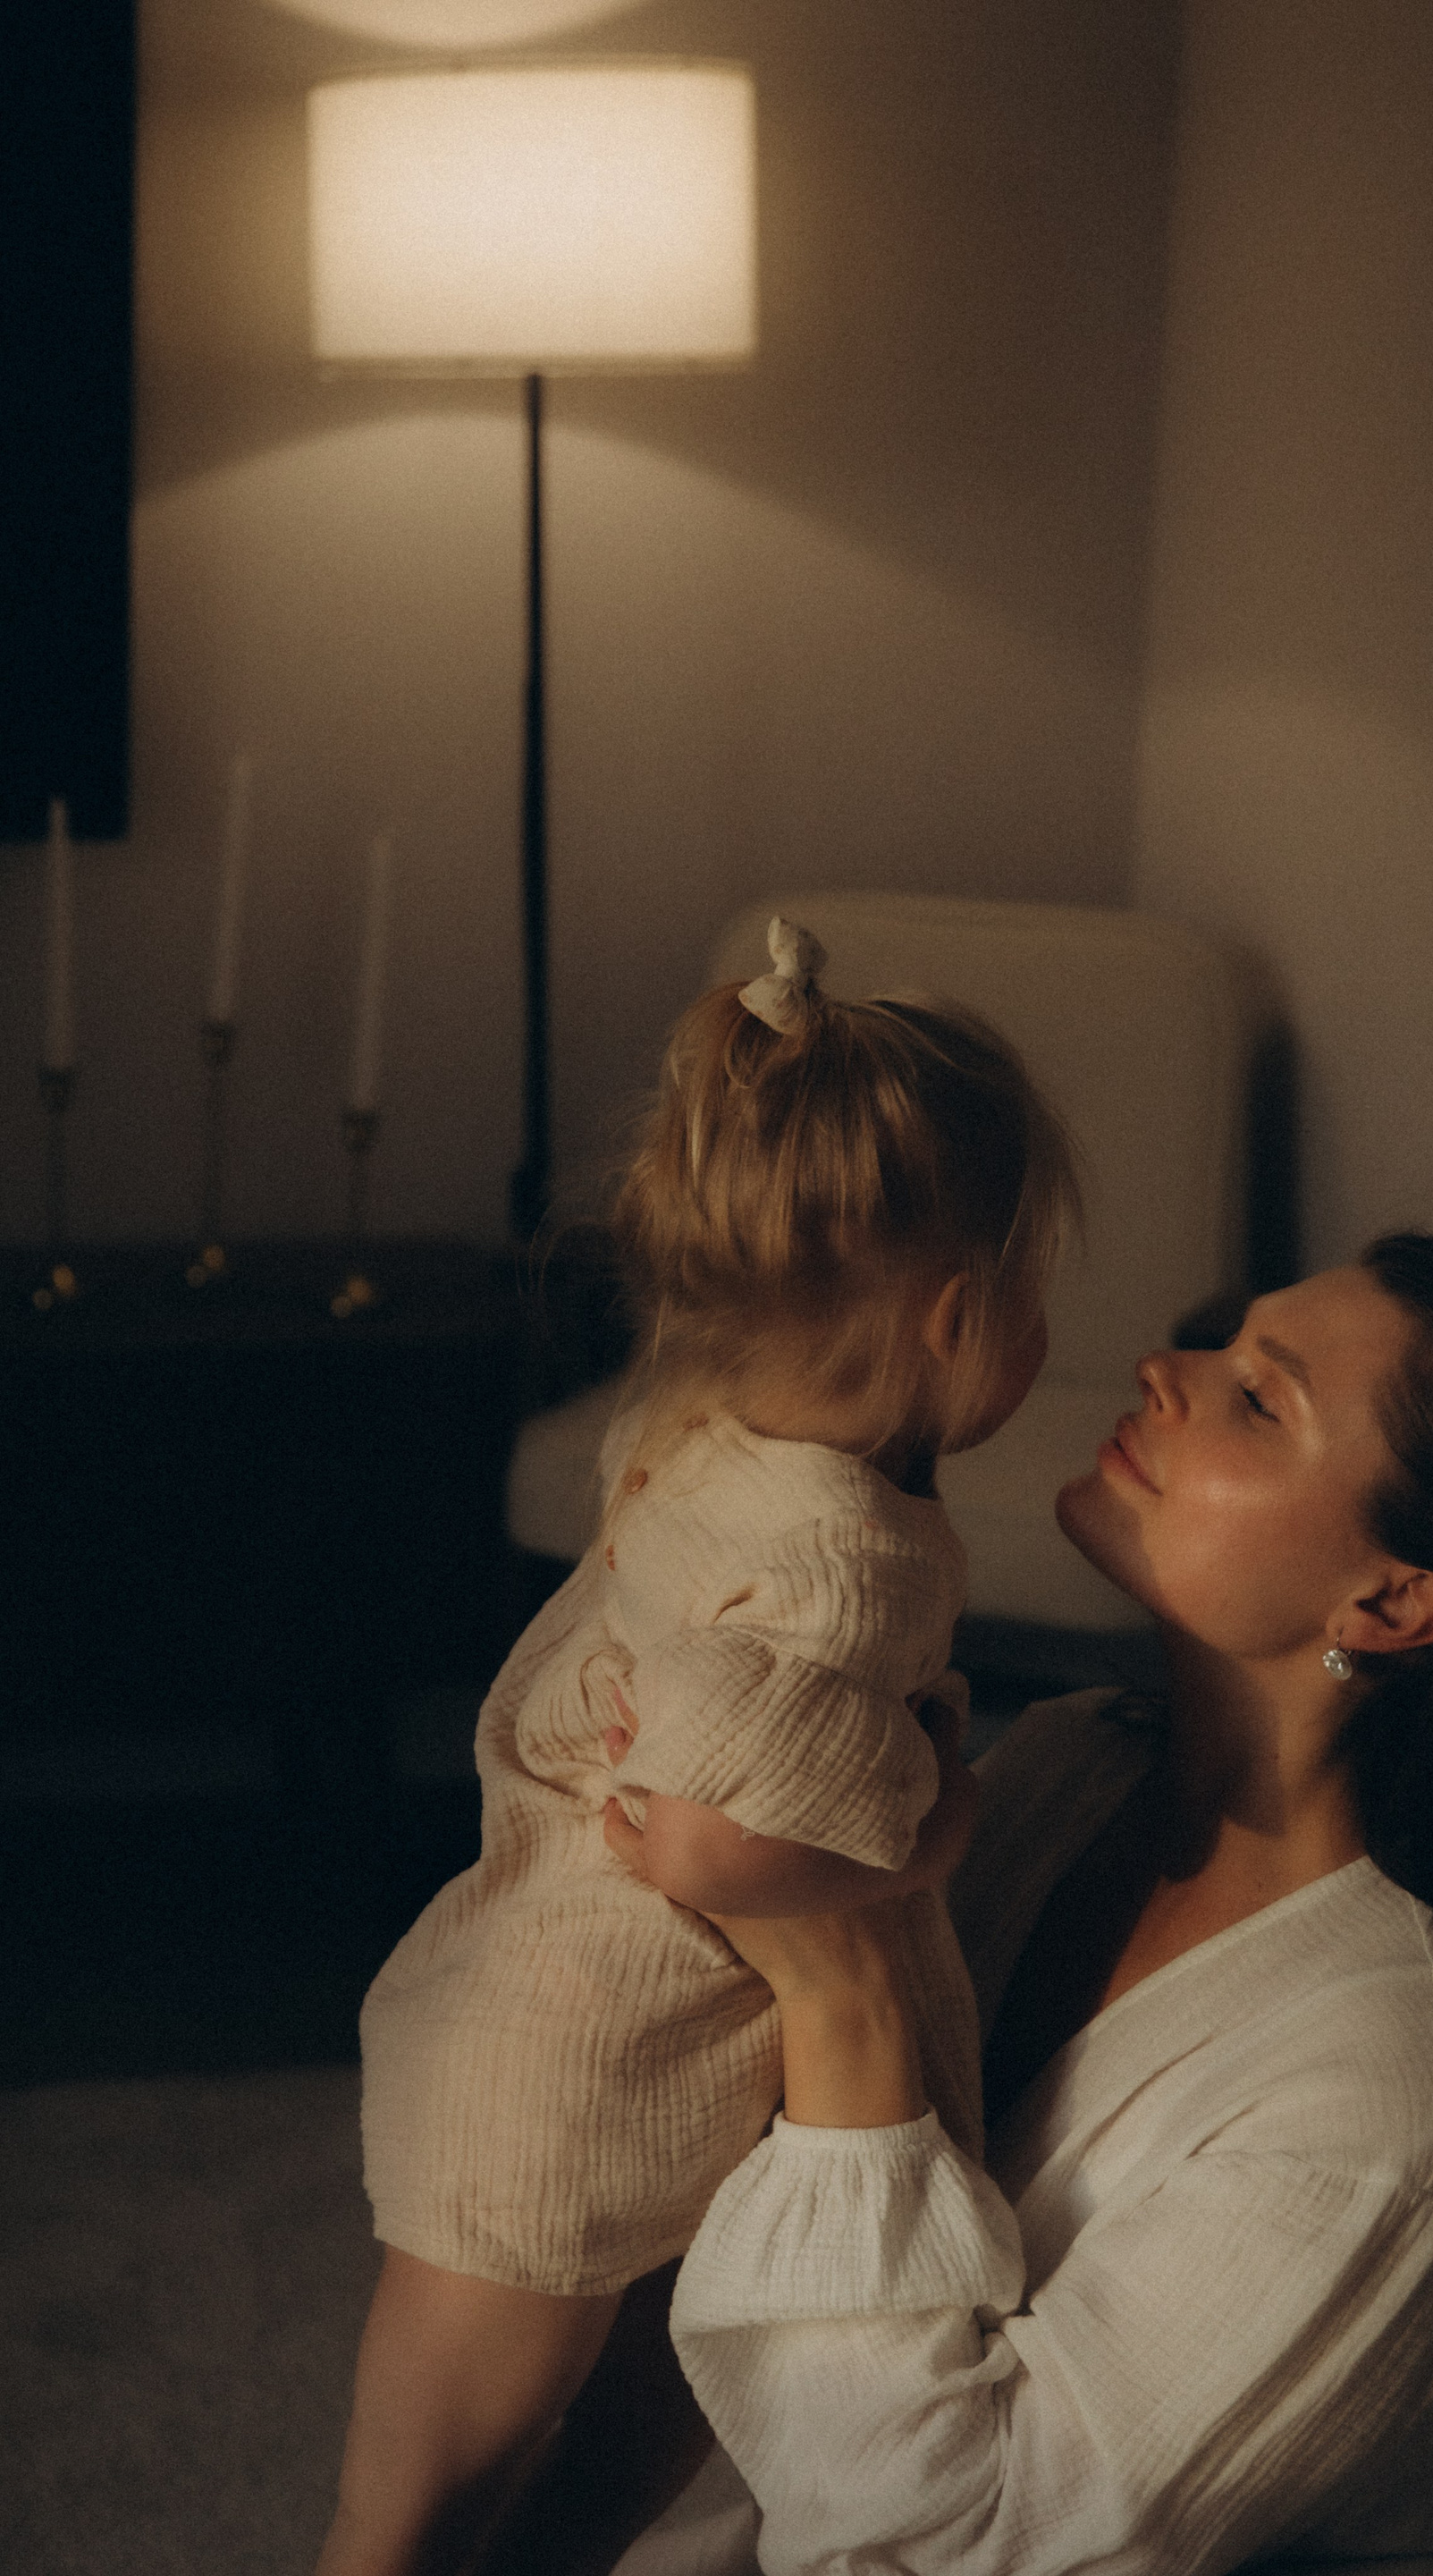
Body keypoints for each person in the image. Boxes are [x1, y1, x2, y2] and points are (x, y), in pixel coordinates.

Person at [608, 1235, 1433, 2573]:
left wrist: (843, 1981)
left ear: (1390, 1601)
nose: (1159, 1368)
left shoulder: (1410, 2098)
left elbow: (948, 2545)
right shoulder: (1070, 1764)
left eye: (1258, 1398)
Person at [315, 919, 1080, 2576]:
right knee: (418, 2507)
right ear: (957, 1316)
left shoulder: (698, 1429)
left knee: (559, 2445)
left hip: (595, 2029)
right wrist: (936, 1821)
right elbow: (715, 1826)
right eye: (1037, 1293)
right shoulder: (843, 1560)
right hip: (569, 2076)